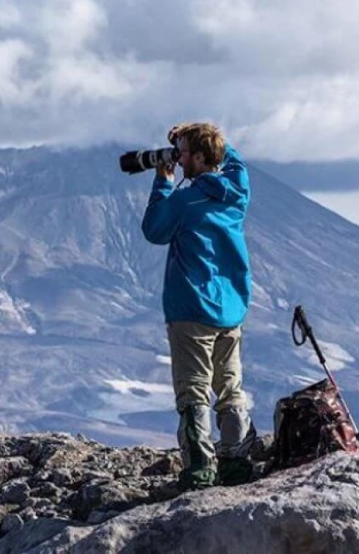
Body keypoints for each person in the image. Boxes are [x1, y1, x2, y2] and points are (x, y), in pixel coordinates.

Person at [141, 122, 257, 491]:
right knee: (230, 388)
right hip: (232, 309)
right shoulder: (237, 192)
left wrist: (163, 179)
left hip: (192, 309)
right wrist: (201, 135)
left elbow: (154, 231)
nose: (179, 157)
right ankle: (236, 464)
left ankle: (201, 470)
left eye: (185, 151)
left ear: (202, 157)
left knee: (193, 393)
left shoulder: (186, 200)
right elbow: (234, 162)